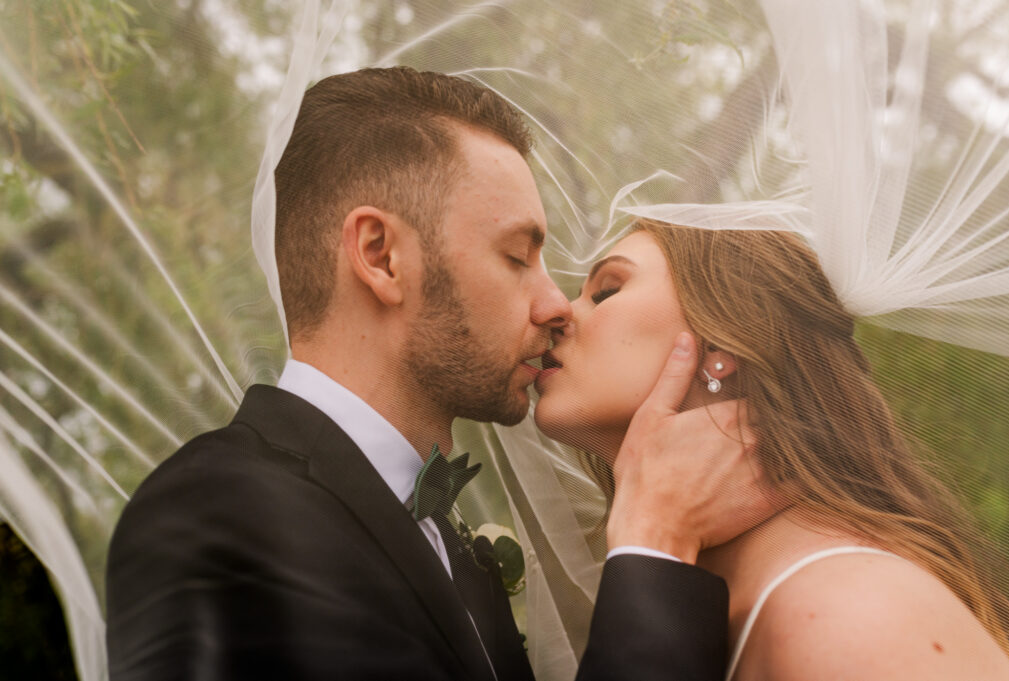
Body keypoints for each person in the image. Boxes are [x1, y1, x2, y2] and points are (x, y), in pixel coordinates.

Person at [104, 68, 772, 681]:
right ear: (381, 256)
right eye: (517, 256)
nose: (553, 303)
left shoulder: (444, 540)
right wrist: (655, 542)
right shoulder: (220, 518)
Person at [533, 220, 1009, 680]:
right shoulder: (702, 595)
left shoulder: (851, 612)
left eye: (607, 291)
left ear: (724, 350)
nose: (558, 313)